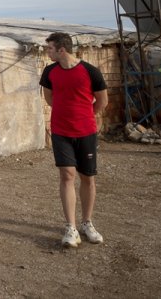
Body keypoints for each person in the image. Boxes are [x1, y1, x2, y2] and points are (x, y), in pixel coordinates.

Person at [39, 32, 109, 248]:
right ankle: (71, 227)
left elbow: (102, 101)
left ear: (61, 49)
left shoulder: (90, 71)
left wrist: (84, 115)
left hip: (85, 131)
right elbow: (49, 98)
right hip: (61, 131)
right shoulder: (49, 72)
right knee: (67, 175)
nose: (47, 52)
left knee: (87, 177)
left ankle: (87, 223)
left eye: (50, 48)